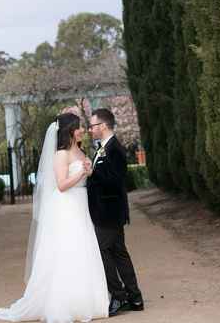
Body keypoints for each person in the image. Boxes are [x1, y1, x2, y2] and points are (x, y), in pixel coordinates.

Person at [0, 113, 109, 323]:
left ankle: (88, 300)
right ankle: (67, 303)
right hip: (68, 206)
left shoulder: (79, 150)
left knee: (84, 247)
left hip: (81, 204)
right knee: (69, 249)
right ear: (70, 130)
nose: (82, 130)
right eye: (79, 127)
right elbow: (61, 185)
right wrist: (82, 174)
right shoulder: (61, 154)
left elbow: (80, 176)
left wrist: (87, 172)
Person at [87, 108, 144, 316]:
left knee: (103, 252)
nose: (90, 129)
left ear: (103, 126)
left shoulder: (115, 149)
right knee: (119, 253)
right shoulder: (103, 148)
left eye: (92, 126)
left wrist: (93, 173)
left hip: (109, 212)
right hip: (105, 211)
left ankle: (119, 297)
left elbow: (115, 181)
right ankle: (135, 298)